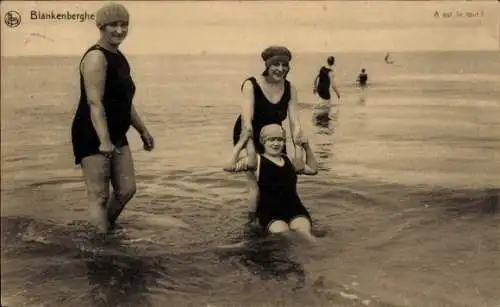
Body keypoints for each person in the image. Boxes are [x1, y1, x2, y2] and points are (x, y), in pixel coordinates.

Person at [71, 3, 154, 233]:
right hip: (92, 131)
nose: (119, 30)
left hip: (116, 132)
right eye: (113, 25)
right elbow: (94, 102)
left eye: (124, 25)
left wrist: (142, 130)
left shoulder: (119, 57)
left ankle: (100, 233)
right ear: (101, 27)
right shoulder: (96, 57)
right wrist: (104, 140)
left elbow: (124, 102)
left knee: (127, 189)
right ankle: (100, 244)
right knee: (99, 196)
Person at [232, 46, 306, 225]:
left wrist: (298, 156)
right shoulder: (251, 84)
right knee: (255, 185)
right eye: (276, 64)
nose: (281, 69)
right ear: (267, 65)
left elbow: (295, 124)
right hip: (249, 134)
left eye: (285, 65)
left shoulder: (290, 88)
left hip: (274, 135)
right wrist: (250, 154)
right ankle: (252, 224)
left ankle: (282, 216)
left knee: (283, 178)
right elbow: (246, 122)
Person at [224, 124, 318, 243]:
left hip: (295, 209)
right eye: (271, 140)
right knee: (287, 238)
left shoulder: (289, 160)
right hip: (270, 213)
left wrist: (306, 146)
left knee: (306, 236)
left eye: (279, 140)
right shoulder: (256, 162)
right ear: (263, 141)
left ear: (284, 142)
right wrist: (241, 142)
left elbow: (313, 170)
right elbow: (228, 167)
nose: (276, 143)